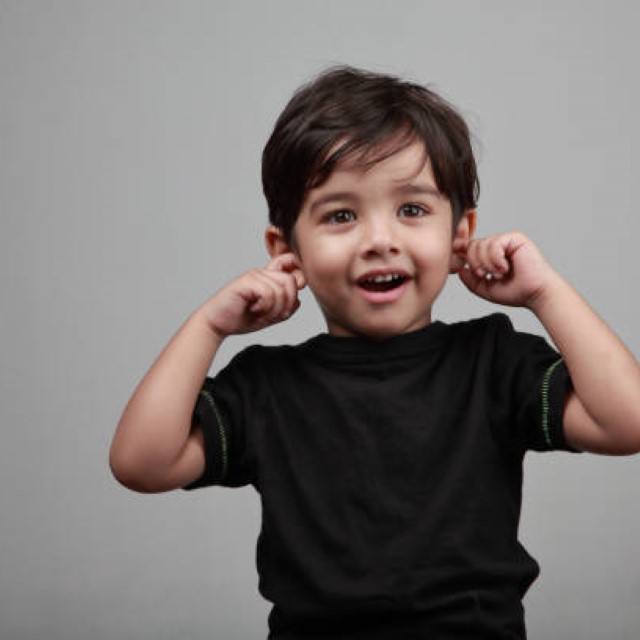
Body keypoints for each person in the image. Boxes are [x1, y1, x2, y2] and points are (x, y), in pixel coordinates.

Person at [109, 65, 640, 639]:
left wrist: (544, 293)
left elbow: (626, 422)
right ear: (287, 251)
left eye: (412, 210)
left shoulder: (492, 361)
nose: (379, 240)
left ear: (459, 235)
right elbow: (142, 464)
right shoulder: (267, 387)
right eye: (341, 215)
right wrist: (208, 326)